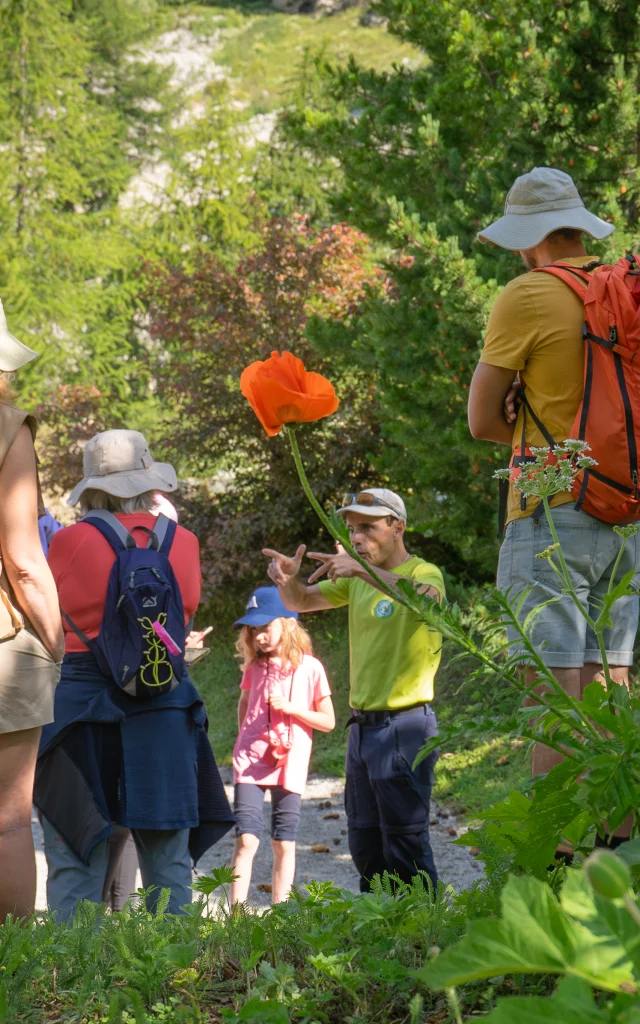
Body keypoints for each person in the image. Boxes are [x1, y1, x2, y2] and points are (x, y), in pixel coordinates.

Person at [468, 167, 634, 847]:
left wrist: (515, 407)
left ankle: (556, 862)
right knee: (612, 686)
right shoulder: (627, 290)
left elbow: (482, 419)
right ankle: (619, 862)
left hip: (553, 507)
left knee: (556, 692)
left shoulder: (529, 295)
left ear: (526, 240)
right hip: (629, 514)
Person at [35, 429, 234, 919]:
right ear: (148, 479)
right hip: (164, 701)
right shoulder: (184, 543)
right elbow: (183, 613)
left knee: (76, 854)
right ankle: (173, 979)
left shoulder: (68, 543)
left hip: (82, 707)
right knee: (167, 859)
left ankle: (73, 981)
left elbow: (49, 612)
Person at [263, 488, 444, 893]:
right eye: (351, 529)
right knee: (366, 846)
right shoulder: (357, 582)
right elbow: (303, 601)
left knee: (406, 845)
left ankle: (426, 941)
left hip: (406, 727)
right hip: (361, 731)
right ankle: (380, 938)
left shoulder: (423, 573)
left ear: (398, 527)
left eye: (368, 527)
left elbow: (428, 602)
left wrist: (360, 569)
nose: (357, 537)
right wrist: (289, 580)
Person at [0, 299, 64, 921]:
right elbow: (23, 560)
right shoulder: (8, 427)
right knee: (8, 823)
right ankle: (12, 965)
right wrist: (55, 638)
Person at [230, 586, 335, 904]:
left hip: (290, 762)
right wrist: (246, 739)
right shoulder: (254, 667)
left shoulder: (311, 668)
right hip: (250, 761)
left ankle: (281, 915)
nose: (258, 635)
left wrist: (293, 710)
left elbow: (328, 721)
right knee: (246, 840)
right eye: (253, 629)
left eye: (265, 626)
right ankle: (235, 918)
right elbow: (244, 703)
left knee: (283, 843)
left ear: (287, 623)